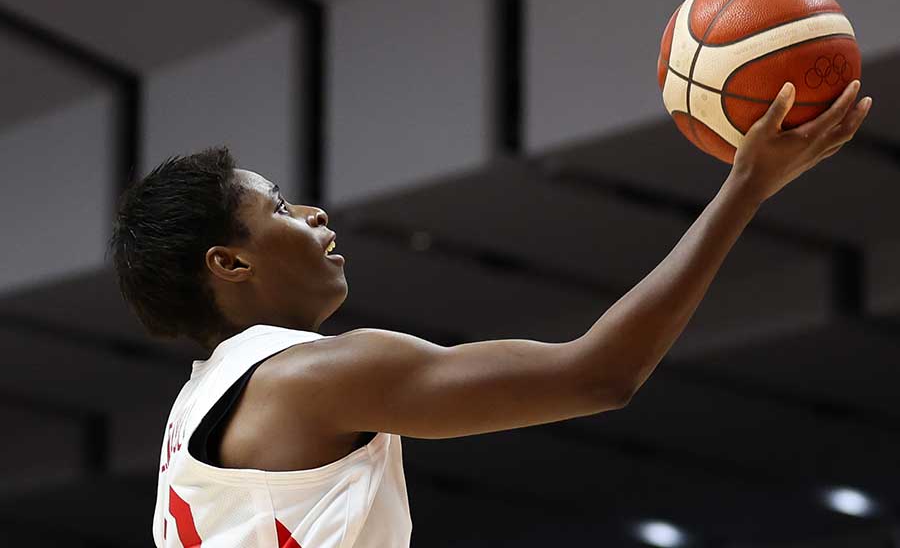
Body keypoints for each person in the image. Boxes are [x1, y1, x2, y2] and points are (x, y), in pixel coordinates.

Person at [109, 81, 870, 548]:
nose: (311, 212)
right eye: (278, 207)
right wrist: (745, 189)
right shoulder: (308, 378)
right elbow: (599, 375)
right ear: (229, 262)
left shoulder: (196, 410)